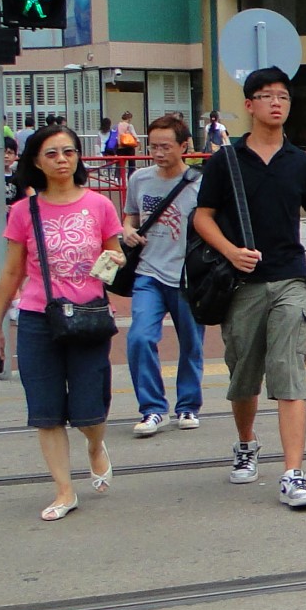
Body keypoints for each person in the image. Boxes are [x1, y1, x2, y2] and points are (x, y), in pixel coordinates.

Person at [192, 66, 306, 510]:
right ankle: (246, 442)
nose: (277, 103)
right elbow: (202, 216)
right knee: (244, 376)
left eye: (283, 96)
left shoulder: (302, 163)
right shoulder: (226, 161)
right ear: (249, 105)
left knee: (289, 371)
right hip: (241, 284)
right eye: (267, 95)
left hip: (291, 278)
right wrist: (231, 251)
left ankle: (293, 473)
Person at [0, 125, 123, 521]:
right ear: (36, 162)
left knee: (89, 409)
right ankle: (64, 490)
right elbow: (12, 272)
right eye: (52, 154)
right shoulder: (23, 211)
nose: (62, 160)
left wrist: (115, 260)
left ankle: (94, 445)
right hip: (38, 317)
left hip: (89, 316)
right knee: (45, 410)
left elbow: (114, 254)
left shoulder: (99, 205)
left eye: (68, 152)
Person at [122, 115, 203, 438]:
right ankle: (153, 408)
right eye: (153, 146)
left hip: (187, 275)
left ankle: (188, 405)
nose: (158, 152)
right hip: (148, 272)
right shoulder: (140, 179)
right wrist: (127, 230)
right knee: (139, 337)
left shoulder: (199, 183)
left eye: (165, 146)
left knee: (192, 343)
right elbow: (130, 216)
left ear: (184, 146)